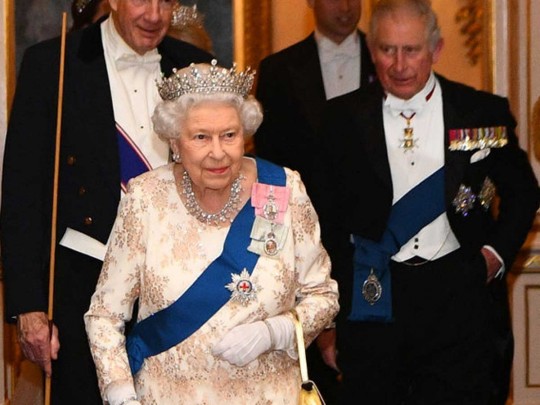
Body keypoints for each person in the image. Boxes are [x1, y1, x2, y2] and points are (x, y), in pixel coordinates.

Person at [319, 0, 539, 404]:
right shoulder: (340, 120)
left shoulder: (480, 112)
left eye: (411, 50)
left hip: (459, 294)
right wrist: (329, 319)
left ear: (435, 50)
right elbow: (325, 221)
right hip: (375, 297)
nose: (399, 64)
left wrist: (493, 256)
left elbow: (523, 192)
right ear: (372, 51)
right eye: (388, 50)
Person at [84, 60, 339, 405]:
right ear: (175, 142)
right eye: (201, 137)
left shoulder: (283, 189)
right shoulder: (145, 199)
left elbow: (323, 295)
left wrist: (276, 332)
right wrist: (121, 395)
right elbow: (105, 315)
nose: (217, 152)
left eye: (229, 135)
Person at [1, 0, 212, 403]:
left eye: (165, 1)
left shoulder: (194, 67)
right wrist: (29, 307)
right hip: (83, 284)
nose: (154, 15)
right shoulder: (55, 64)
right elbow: (22, 192)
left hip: (177, 288)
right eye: (141, 0)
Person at [253, 0, 376, 401]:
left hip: (374, 249)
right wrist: (267, 244)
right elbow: (268, 168)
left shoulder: (386, 60)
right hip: (303, 247)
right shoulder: (278, 70)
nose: (346, 6)